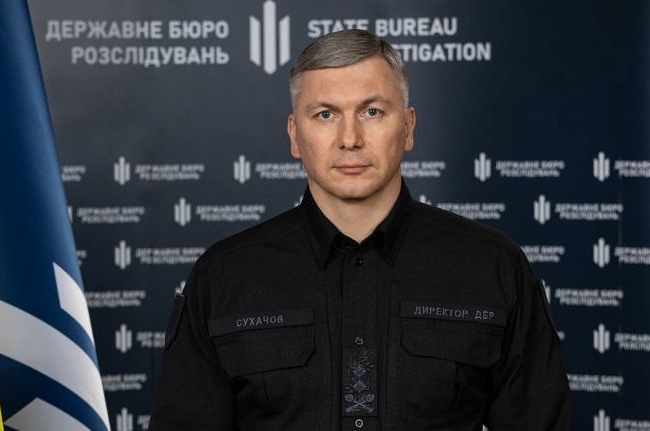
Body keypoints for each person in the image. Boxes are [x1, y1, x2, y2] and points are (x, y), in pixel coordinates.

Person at [149, 29, 572, 430]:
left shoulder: (492, 265)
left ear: (407, 127)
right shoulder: (224, 275)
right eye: (325, 114)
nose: (349, 138)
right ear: (295, 135)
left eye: (372, 112)